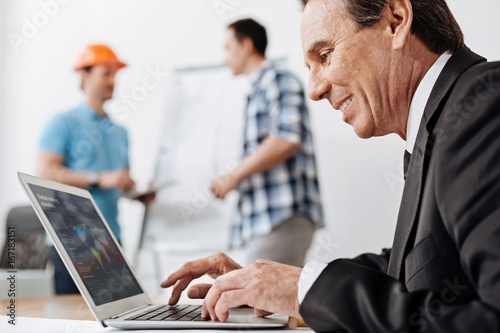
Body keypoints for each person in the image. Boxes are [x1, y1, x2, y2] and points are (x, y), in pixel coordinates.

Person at [160, 0, 500, 331]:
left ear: (396, 21)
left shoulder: (484, 105)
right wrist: (276, 286)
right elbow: (410, 270)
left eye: (325, 55)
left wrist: (301, 290)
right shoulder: (443, 122)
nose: (315, 89)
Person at [36, 44, 153, 294]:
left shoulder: (121, 132)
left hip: (111, 242)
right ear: (84, 76)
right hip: (73, 241)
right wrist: (99, 178)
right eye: (106, 73)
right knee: (72, 321)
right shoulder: (63, 122)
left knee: (116, 321)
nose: (113, 81)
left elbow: (117, 182)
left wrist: (135, 192)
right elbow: (44, 172)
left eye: (115, 74)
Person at [210, 19, 324, 267]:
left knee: (264, 303)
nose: (224, 57)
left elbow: (287, 137)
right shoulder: (258, 90)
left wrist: (234, 176)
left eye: (228, 48)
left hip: (282, 216)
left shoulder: (278, 80)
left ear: (247, 45)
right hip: (266, 220)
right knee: (263, 302)